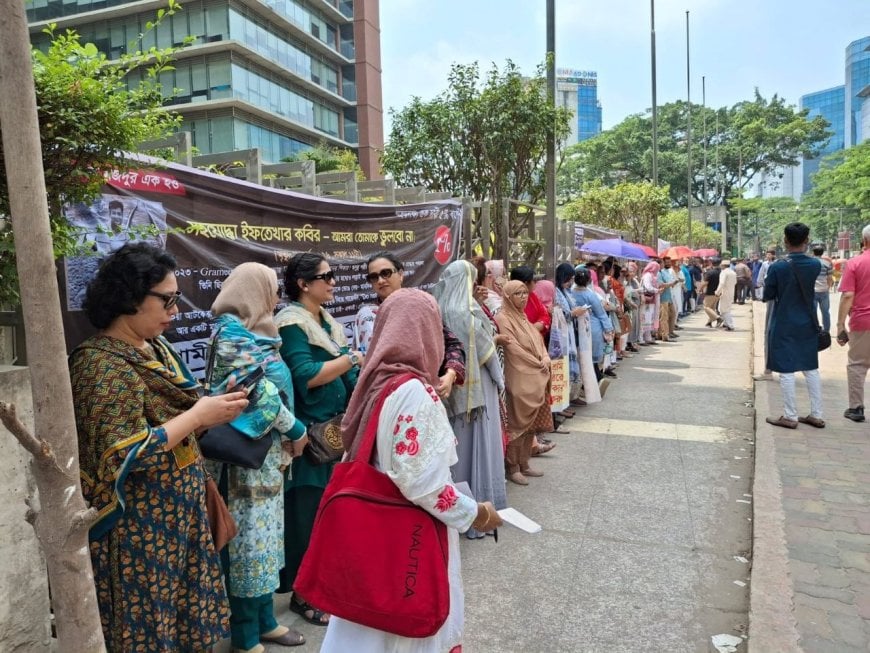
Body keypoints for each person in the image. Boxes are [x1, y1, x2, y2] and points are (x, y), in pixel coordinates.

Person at [69, 243, 248, 652]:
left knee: (183, 626)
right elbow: (122, 453)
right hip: (137, 533)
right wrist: (199, 415)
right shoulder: (98, 364)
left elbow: (180, 418)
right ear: (130, 297)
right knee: (145, 632)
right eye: (167, 300)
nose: (176, 310)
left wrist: (214, 407)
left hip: (179, 520)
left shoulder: (156, 349)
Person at [323, 289, 502, 652]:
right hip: (406, 538)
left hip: (372, 531)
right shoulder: (414, 393)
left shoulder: (376, 381)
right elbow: (423, 484)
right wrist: (474, 514)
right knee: (404, 628)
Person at [209, 263, 309, 652]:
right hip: (244, 464)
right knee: (248, 547)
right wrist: (296, 430)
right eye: (271, 289)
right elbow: (258, 394)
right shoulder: (231, 333)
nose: (278, 298)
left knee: (267, 543)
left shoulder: (256, 332)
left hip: (267, 459)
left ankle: (266, 619)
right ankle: (245, 634)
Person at [275, 253, 362, 625]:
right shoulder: (291, 324)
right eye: (326, 276)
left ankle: (325, 584)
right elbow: (305, 375)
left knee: (330, 514)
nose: (333, 282)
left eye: (333, 275)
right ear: (303, 284)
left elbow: (343, 374)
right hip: (308, 437)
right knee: (306, 516)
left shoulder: (325, 322)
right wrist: (351, 360)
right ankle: (303, 593)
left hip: (334, 433)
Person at [432, 261, 508, 538]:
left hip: (452, 388)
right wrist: (500, 381)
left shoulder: (438, 311)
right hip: (479, 388)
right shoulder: (469, 311)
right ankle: (480, 508)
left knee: (458, 447)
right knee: (480, 444)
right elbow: (488, 353)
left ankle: (459, 510)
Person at [354, 251, 466, 399]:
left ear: (400, 274)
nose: (380, 280)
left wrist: (451, 374)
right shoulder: (367, 316)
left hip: (424, 394)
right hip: (382, 398)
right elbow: (361, 364)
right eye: (374, 277)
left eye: (386, 273)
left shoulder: (421, 307)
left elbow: (453, 344)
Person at [763, 223, 824, 429]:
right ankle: (816, 414)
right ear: (807, 241)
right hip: (808, 321)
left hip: (784, 322)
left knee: (786, 369)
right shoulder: (815, 265)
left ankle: (790, 416)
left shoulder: (778, 267)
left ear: (785, 241)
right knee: (811, 368)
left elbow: (768, 295)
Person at [496, 280, 552, 485]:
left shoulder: (523, 317)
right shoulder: (503, 318)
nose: (523, 297)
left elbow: (537, 341)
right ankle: (512, 467)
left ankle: (524, 463)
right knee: (517, 423)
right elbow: (514, 349)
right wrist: (537, 363)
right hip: (519, 375)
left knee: (531, 424)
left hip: (536, 374)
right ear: (508, 296)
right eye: (518, 294)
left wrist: (544, 357)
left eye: (524, 293)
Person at [836, 225, 870, 422]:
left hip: (863, 321)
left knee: (857, 365)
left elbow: (848, 295)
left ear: (864, 241)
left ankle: (856, 408)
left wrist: (841, 325)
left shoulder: (855, 263)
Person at [571, 266, 613, 392]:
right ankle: (596, 381)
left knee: (580, 357)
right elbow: (601, 313)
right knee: (590, 359)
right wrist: (609, 329)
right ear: (589, 280)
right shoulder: (591, 295)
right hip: (591, 329)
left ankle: (588, 384)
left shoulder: (570, 293)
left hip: (575, 328)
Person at [510, 265, 551, 340]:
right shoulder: (510, 302)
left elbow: (545, 315)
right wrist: (537, 327)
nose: (536, 283)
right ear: (525, 283)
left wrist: (534, 327)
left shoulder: (532, 296)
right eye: (534, 281)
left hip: (537, 340)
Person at [811, 243, 834, 333]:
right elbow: (829, 278)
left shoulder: (810, 263)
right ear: (822, 253)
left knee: (813, 312)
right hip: (824, 290)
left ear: (813, 252)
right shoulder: (827, 263)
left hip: (813, 291)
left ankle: (815, 329)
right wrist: (828, 287)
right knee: (825, 312)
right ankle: (826, 330)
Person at [657, 257, 679, 341]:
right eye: (663, 263)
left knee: (672, 314)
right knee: (664, 317)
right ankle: (664, 335)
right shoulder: (658, 273)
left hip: (668, 297)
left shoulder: (664, 272)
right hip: (663, 298)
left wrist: (672, 283)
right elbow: (661, 285)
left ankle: (665, 333)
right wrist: (671, 283)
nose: (665, 264)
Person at [639, 260, 661, 345]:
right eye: (656, 268)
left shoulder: (653, 276)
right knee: (644, 319)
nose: (657, 270)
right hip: (647, 300)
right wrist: (657, 290)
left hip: (652, 300)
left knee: (649, 319)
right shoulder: (647, 275)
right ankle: (641, 338)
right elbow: (648, 287)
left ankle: (648, 338)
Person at [716, 259, 738, 331]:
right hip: (731, 291)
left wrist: (717, 292)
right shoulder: (733, 272)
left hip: (725, 292)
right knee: (724, 308)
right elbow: (735, 282)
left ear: (723, 265)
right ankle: (725, 323)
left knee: (724, 309)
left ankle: (730, 325)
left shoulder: (724, 273)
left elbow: (721, 283)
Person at [701, 258, 722, 328]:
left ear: (712, 264)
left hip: (710, 292)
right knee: (712, 308)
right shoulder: (722, 272)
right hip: (718, 292)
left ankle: (718, 318)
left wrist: (700, 289)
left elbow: (705, 283)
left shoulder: (710, 272)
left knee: (706, 307)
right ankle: (709, 323)